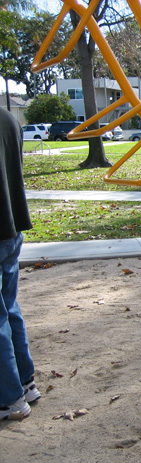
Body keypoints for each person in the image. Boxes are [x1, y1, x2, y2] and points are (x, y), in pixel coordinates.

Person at [1, 107, 41, 420]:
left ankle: (10, 398)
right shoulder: (9, 118)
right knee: (9, 307)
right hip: (12, 225)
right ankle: (25, 382)